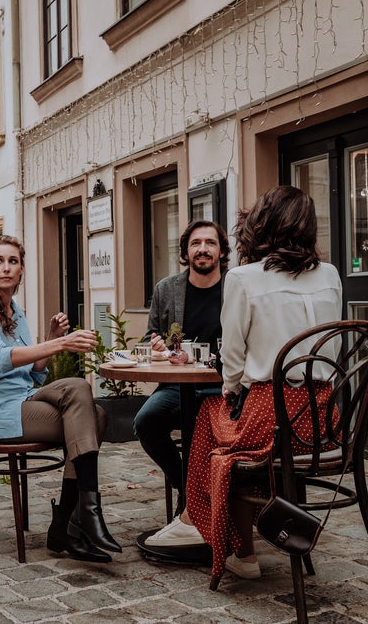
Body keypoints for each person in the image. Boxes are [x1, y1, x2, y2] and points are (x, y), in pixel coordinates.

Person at [141, 185, 342, 583]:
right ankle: (212, 525)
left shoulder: (244, 278)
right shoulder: (331, 274)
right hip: (322, 420)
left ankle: (224, 539)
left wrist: (232, 387)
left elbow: (232, 358)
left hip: (270, 416)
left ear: (261, 224)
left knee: (211, 421)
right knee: (220, 422)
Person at [0, 235, 119, 563]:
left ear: (21, 270)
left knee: (88, 402)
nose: (6, 268)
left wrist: (52, 337)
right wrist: (61, 344)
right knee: (89, 410)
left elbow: (34, 373)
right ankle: (76, 523)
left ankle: (70, 523)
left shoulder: (15, 309)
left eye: (13, 261)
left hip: (24, 397)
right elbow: (3, 359)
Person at [133, 220, 229, 515]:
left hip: (223, 386)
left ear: (222, 252)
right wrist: (157, 345)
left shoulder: (236, 287)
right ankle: (187, 487)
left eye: (210, 243)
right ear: (186, 253)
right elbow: (151, 336)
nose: (203, 249)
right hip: (177, 385)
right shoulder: (167, 288)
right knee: (145, 422)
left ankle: (216, 501)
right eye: (196, 243)